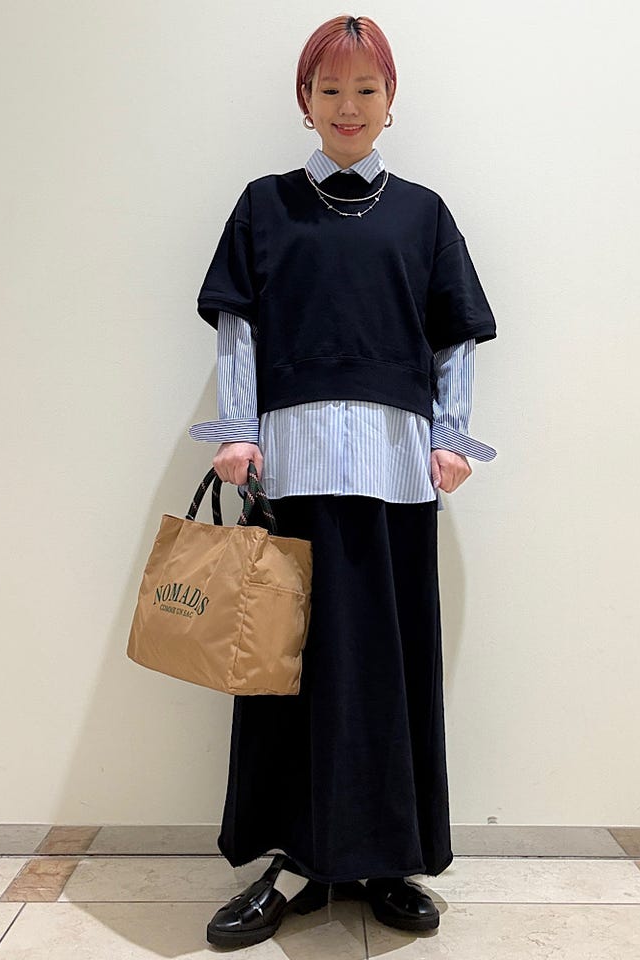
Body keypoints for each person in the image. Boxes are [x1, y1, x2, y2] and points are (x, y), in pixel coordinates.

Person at [189, 15, 497, 950]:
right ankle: (293, 862)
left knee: (389, 670)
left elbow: (455, 334)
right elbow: (238, 327)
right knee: (288, 671)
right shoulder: (265, 205)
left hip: (398, 476)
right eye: (331, 89)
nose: (349, 106)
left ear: (391, 101)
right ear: (306, 100)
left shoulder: (424, 214)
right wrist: (237, 431)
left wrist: (452, 436)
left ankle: (387, 858)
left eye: (367, 89)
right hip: (292, 475)